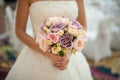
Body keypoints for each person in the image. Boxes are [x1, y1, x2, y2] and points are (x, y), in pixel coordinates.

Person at [5, 0, 93, 80]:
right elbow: (19, 31)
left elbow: (83, 26)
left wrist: (67, 52)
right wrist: (48, 53)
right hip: (37, 54)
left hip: (69, 56)